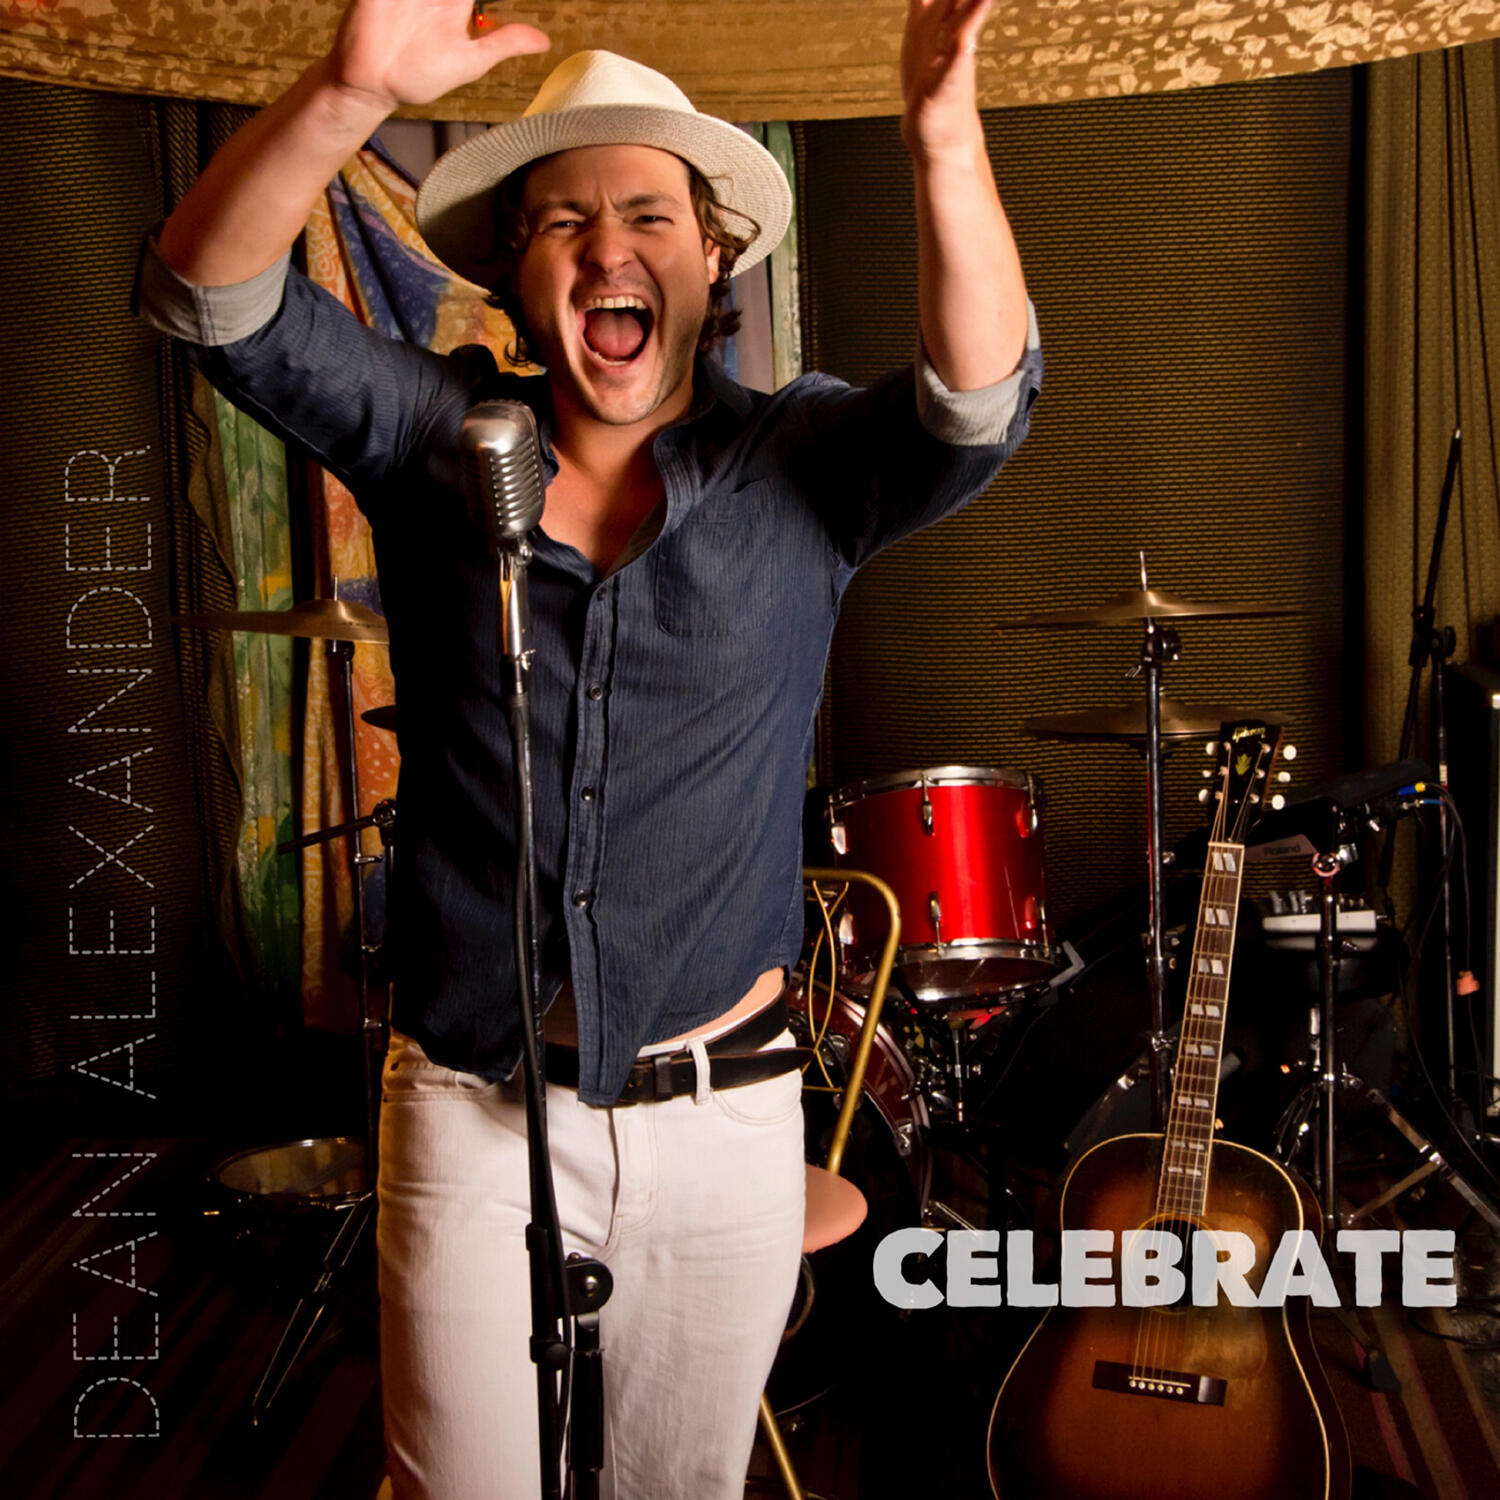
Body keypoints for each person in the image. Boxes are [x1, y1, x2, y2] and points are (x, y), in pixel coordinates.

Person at [136, 0, 1040, 1495]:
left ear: (713, 258)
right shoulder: (433, 438)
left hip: (725, 1116)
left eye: (648, 216)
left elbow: (978, 402)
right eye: (564, 221)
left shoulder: (806, 461)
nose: (607, 247)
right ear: (513, 269)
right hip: (472, 1105)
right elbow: (206, 296)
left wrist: (945, 135)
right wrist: (350, 90)